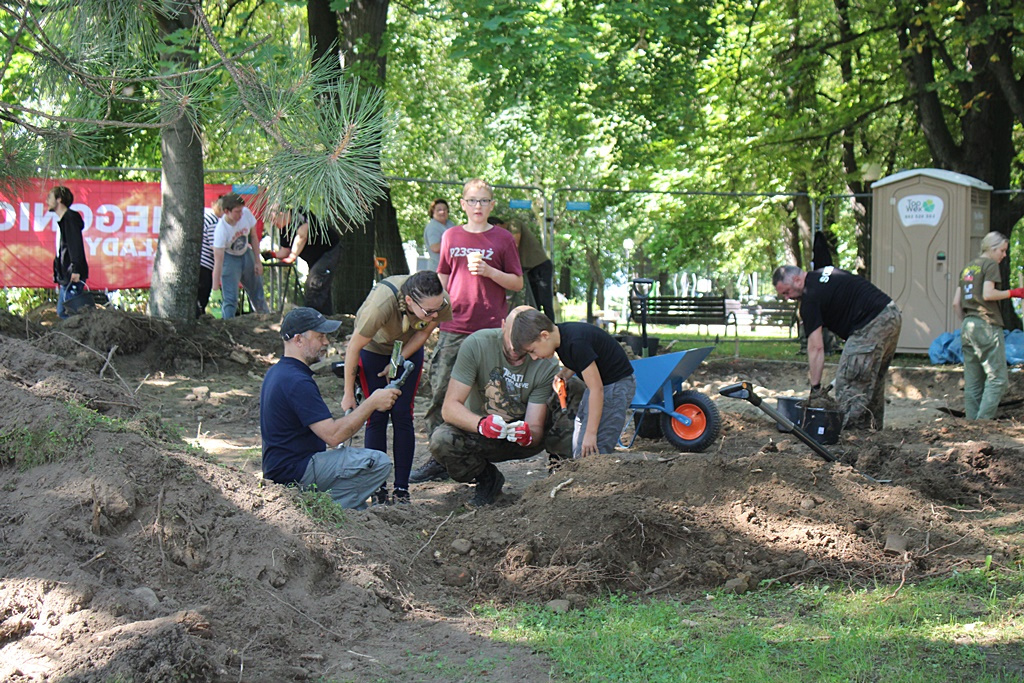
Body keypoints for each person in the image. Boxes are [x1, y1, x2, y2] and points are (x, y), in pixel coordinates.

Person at [410, 178, 524, 483]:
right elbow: (442, 278)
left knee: (488, 395)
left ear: (492, 205)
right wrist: (434, 315)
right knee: (441, 391)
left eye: (484, 201)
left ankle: (479, 460)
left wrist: (489, 271)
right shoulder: (451, 236)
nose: (478, 206)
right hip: (454, 326)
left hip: (491, 330)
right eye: (472, 200)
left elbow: (517, 282)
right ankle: (438, 458)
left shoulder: (503, 239)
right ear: (463, 204)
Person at [429, 306, 574, 506]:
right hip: (479, 433)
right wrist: (481, 424)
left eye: (524, 347)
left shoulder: (543, 361)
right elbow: (449, 408)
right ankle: (487, 478)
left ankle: (561, 472)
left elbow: (535, 427)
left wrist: (527, 434)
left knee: (574, 387)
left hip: (519, 436)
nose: (516, 349)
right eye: (512, 340)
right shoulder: (477, 344)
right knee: (441, 439)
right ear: (503, 325)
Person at [260, 307, 399, 509]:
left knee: (358, 494)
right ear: (298, 340)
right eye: (320, 336)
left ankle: (344, 509)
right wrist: (372, 403)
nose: (326, 342)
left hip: (283, 469)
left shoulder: (278, 372)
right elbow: (333, 436)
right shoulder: (296, 381)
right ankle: (325, 511)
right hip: (295, 472)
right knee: (378, 462)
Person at [342, 272, 452, 504]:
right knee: (377, 415)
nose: (435, 315)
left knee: (402, 414)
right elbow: (354, 347)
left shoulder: (439, 302)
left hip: (407, 346)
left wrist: (396, 361)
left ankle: (402, 489)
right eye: (429, 312)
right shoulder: (380, 305)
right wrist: (348, 393)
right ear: (410, 301)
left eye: (437, 309)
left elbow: (424, 332)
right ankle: (378, 488)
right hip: (373, 348)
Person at [773, 264, 902, 430]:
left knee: (850, 380)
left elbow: (816, 348)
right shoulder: (825, 272)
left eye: (787, 292)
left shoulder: (810, 297)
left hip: (870, 324)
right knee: (872, 379)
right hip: (891, 314)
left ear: (797, 280)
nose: (787, 298)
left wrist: (815, 388)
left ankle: (850, 434)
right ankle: (871, 431)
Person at [511, 308, 635, 457]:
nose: (534, 357)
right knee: (580, 442)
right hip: (599, 386)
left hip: (614, 386)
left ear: (544, 335)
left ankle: (595, 468)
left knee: (595, 446)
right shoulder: (560, 338)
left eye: (532, 351)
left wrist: (591, 434)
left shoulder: (576, 343)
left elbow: (597, 390)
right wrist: (564, 374)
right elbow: (582, 361)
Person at [952, 232, 1024, 419]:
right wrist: (1014, 293)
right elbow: (988, 294)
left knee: (973, 383)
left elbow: (956, 303)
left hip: (968, 326)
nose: (1004, 255)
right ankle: (983, 423)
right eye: (1002, 250)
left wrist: (968, 322)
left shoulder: (968, 268)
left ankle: (971, 425)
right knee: (998, 379)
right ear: (992, 249)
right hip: (987, 325)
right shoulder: (990, 265)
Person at [265, 207, 343, 315]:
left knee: (314, 283)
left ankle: (311, 315)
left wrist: (293, 256)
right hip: (314, 260)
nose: (273, 223)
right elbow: (285, 250)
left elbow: (302, 234)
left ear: (281, 213)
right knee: (321, 285)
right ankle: (325, 316)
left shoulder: (299, 213)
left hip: (329, 251)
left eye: (273, 219)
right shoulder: (283, 230)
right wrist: (272, 255)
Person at [212, 193, 269, 319]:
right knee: (230, 298)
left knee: (257, 291)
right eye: (237, 212)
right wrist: (215, 289)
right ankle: (228, 323)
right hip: (230, 257)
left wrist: (257, 261)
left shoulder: (246, 214)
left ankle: (265, 318)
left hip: (246, 252)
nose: (241, 214)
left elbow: (253, 237)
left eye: (241, 210)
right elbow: (218, 261)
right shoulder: (221, 230)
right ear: (227, 212)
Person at [48, 185, 89, 319]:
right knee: (64, 311)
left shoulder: (69, 219)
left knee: (69, 312)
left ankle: (81, 331)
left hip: (72, 274)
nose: (47, 201)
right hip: (66, 274)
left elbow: (75, 245)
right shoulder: (63, 221)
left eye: (50, 197)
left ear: (59, 199)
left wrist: (76, 269)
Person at [508, 217, 556, 320]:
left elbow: (515, 244)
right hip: (530, 269)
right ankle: (536, 326)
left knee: (545, 300)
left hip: (541, 265)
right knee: (534, 302)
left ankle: (551, 326)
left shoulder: (513, 223)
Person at [198, 197, 223, 318]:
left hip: (199, 262)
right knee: (202, 294)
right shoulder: (214, 222)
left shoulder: (205, 214)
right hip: (205, 265)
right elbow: (215, 248)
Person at [424, 198, 455, 271]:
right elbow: (435, 247)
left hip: (450, 268)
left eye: (445, 209)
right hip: (438, 269)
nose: (442, 212)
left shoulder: (450, 224)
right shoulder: (433, 227)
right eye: (439, 210)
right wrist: (454, 243)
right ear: (433, 212)